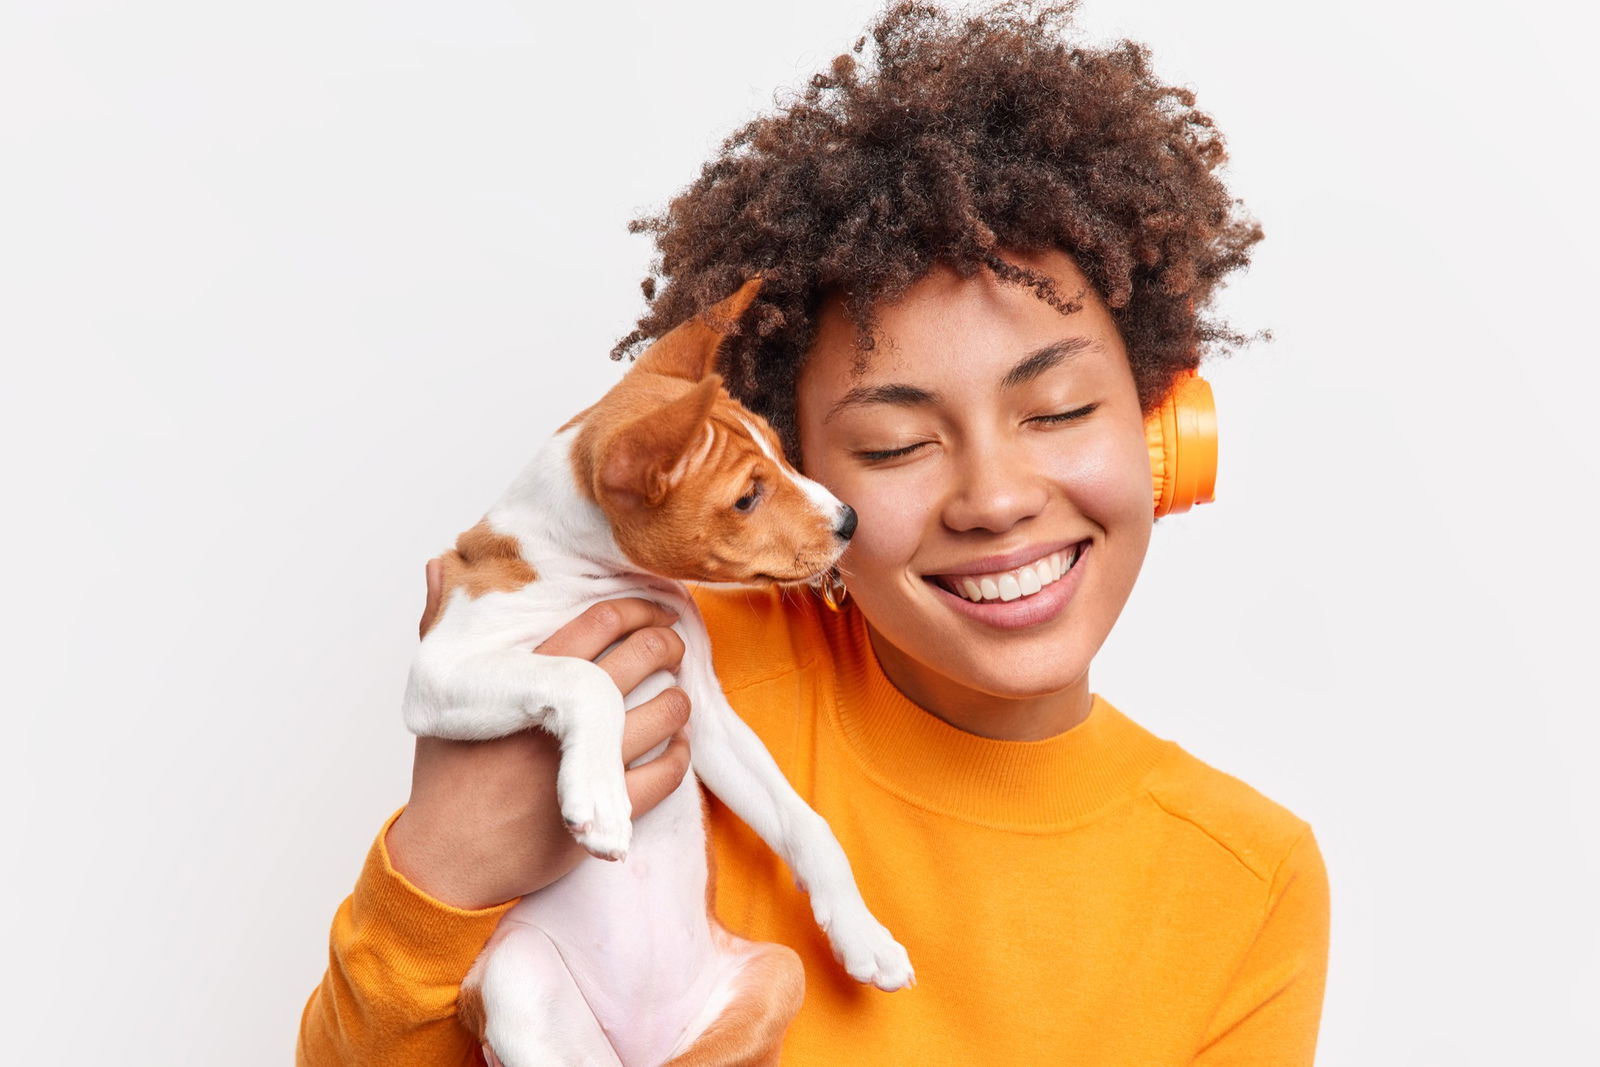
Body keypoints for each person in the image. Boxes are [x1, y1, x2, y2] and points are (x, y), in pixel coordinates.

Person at [297, 2, 1330, 1063]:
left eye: (1058, 410)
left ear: (1165, 429)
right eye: (893, 444)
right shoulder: (644, 665)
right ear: (795, 477)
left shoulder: (1246, 884)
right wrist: (438, 876)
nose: (993, 499)